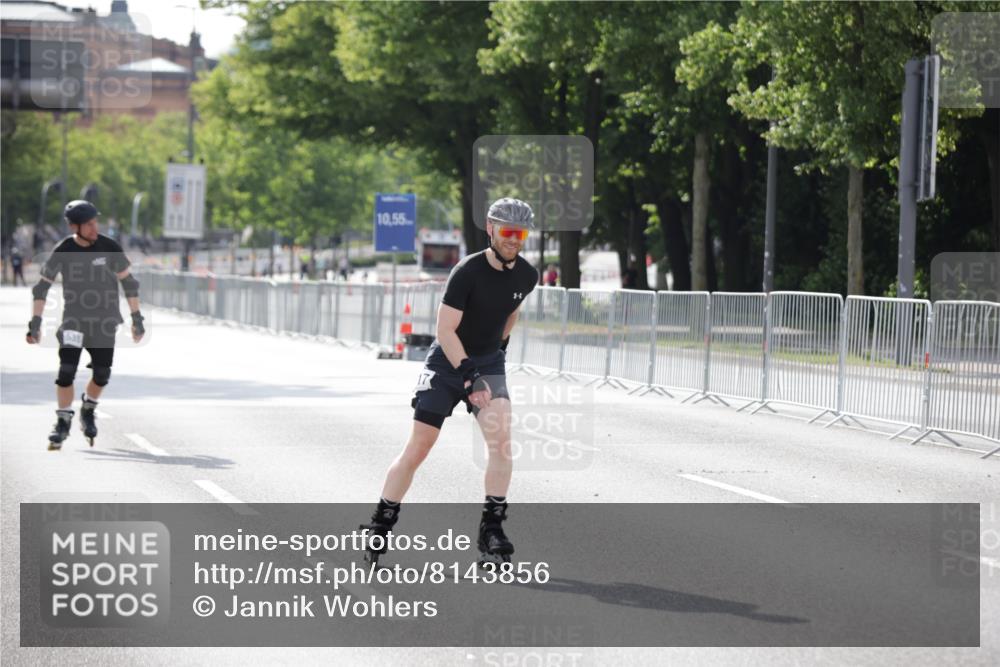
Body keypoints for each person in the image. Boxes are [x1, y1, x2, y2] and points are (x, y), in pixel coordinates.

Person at [360, 197, 539, 567]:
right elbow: (445, 330)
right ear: (491, 229)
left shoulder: (527, 275)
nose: (514, 239)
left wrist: (498, 352)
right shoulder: (467, 271)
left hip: (487, 362)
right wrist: (470, 374)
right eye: (507, 231)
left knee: (501, 442)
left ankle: (492, 528)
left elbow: (511, 312)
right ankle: (380, 523)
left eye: (520, 233)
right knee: (419, 447)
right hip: (448, 364)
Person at [26, 200, 145, 450]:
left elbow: (129, 283)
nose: (94, 227)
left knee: (102, 374)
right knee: (66, 370)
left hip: (104, 322)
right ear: (74, 226)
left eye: (95, 222)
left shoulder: (109, 247)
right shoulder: (64, 250)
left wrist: (137, 319)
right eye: (88, 224)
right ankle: (63, 420)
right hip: (74, 321)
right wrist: (35, 323)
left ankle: (88, 408)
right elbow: (42, 287)